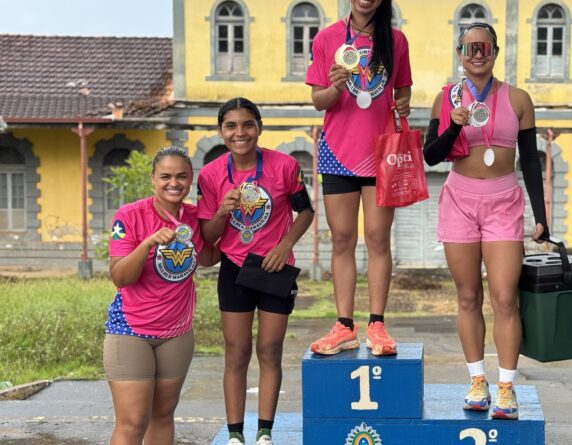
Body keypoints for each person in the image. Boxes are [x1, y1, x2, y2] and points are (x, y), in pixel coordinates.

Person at [422, 22, 549, 420]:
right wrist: (454, 124)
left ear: (495, 52)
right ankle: (478, 381)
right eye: (470, 47)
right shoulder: (445, 99)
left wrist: (541, 216)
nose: (477, 54)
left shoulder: (518, 98)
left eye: (485, 47)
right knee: (467, 297)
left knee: (505, 298)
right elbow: (431, 156)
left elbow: (529, 160)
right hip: (460, 199)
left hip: (503, 202)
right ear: (460, 53)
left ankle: (507, 387)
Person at [197, 97, 314, 445]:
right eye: (231, 126)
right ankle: (235, 434)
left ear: (259, 128)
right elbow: (208, 236)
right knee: (236, 352)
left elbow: (304, 212)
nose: (240, 132)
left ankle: (264, 431)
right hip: (234, 269)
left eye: (247, 124)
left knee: (270, 349)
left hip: (275, 269)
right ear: (221, 131)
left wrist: (284, 246)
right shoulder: (211, 174)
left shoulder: (285, 166)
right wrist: (221, 211)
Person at [305, 0, 412, 356]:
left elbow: (402, 89)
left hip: (383, 153)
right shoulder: (326, 39)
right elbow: (319, 101)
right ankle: (344, 326)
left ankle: (377, 325)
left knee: (379, 239)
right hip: (337, 152)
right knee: (342, 240)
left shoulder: (396, 40)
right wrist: (335, 86)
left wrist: (403, 104)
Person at [104, 146, 217, 444]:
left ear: (191, 179)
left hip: (177, 333)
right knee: (132, 421)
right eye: (165, 176)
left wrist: (241, 227)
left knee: (163, 415)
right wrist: (147, 244)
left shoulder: (193, 218)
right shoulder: (128, 216)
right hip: (131, 330)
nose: (174, 183)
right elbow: (120, 276)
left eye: (181, 176)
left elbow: (208, 257)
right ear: (153, 178)